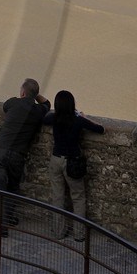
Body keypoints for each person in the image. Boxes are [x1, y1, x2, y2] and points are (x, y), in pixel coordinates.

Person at [0, 78, 50, 235]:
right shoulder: (38, 111)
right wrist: (35, 96)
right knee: (12, 188)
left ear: (22, 92)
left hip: (0, 152)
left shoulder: (14, 102)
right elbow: (47, 104)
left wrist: (28, 95)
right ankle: (6, 219)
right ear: (34, 95)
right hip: (17, 155)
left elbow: (4, 106)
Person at [48, 89, 104, 238]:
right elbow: (100, 129)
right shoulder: (78, 120)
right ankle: (79, 234)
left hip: (56, 159)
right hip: (72, 161)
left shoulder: (53, 118)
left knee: (57, 197)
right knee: (78, 197)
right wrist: (86, 117)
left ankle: (59, 232)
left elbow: (41, 117)